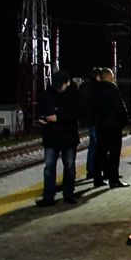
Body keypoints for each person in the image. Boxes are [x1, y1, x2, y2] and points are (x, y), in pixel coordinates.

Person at [35, 70, 84, 207]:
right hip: (51, 136)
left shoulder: (75, 95)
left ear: (67, 83)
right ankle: (48, 196)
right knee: (49, 167)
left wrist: (60, 117)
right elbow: (41, 109)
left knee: (69, 166)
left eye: (60, 86)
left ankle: (68, 194)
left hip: (68, 136)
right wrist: (41, 118)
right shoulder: (48, 93)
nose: (57, 89)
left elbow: (80, 113)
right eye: (55, 86)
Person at [90, 67, 129, 188]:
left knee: (100, 152)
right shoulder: (112, 88)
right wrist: (124, 121)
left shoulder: (94, 89)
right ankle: (114, 180)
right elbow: (119, 106)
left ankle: (97, 179)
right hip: (113, 126)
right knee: (114, 154)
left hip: (100, 126)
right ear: (109, 76)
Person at [80, 67, 102, 183]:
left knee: (93, 146)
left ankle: (91, 170)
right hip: (95, 121)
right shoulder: (95, 88)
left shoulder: (87, 87)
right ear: (97, 76)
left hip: (90, 120)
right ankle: (93, 171)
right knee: (97, 146)